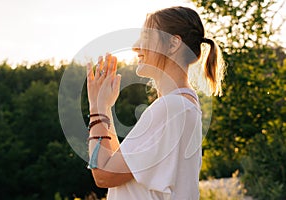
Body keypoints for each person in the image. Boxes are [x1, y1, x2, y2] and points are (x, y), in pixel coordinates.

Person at [86, 6, 225, 200]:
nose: (136, 46)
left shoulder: (172, 108)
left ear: (174, 44)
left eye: (146, 37)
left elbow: (104, 175)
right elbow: (113, 164)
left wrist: (96, 108)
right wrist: (105, 109)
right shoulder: (181, 106)